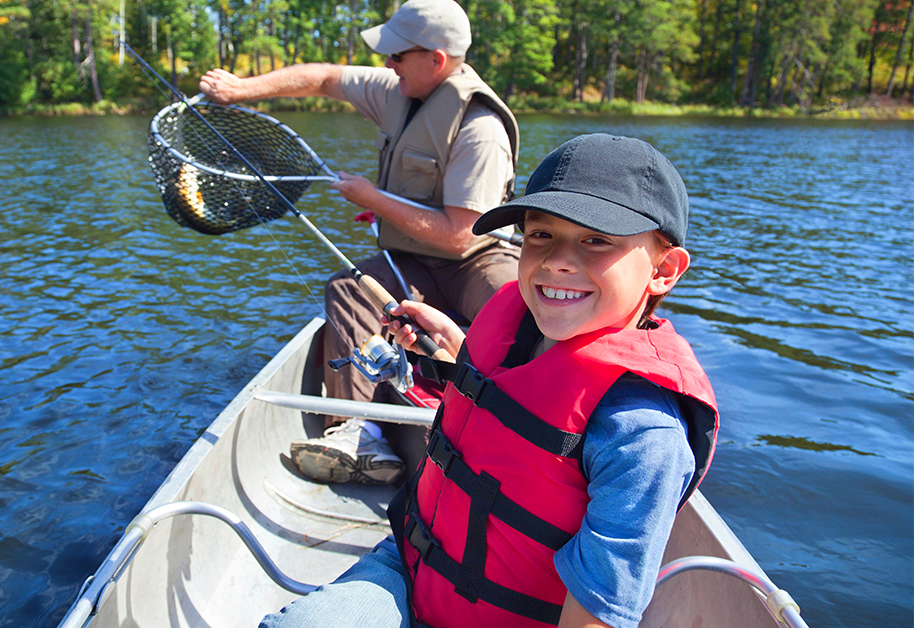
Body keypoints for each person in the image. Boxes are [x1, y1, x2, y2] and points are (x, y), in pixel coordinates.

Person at [257, 133, 720, 628]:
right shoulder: (517, 322)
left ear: (664, 270)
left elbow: (597, 616)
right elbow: (515, 400)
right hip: (410, 562)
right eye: (540, 235)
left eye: (595, 240)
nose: (557, 260)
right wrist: (460, 350)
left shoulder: (645, 436)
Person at [199, 0, 521, 486]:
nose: (387, 64)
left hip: (477, 257)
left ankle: (526, 427)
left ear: (435, 60)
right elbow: (326, 77)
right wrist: (243, 89)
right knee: (350, 289)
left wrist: (374, 198)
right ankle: (356, 430)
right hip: (411, 257)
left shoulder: (481, 130)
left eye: (397, 55)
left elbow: (461, 235)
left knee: (517, 307)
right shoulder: (397, 89)